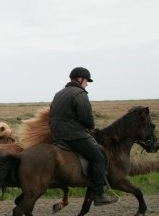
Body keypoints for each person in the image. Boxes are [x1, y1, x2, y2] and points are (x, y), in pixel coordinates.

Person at [49, 67, 118, 206]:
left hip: (57, 135)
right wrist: (90, 128)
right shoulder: (80, 94)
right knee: (99, 157)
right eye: (86, 81)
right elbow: (86, 118)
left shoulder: (59, 93)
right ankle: (99, 194)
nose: (87, 84)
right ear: (80, 79)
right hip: (73, 135)